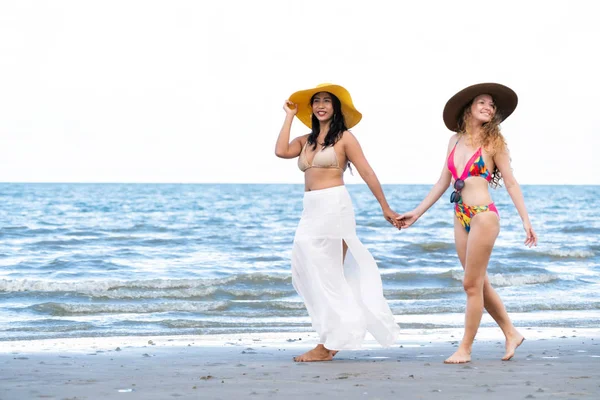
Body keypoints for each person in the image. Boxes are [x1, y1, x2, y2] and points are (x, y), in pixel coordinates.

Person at [396, 83, 538, 364]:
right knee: (479, 284)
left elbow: (510, 181)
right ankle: (511, 333)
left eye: (492, 105)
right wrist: (416, 213)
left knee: (470, 285)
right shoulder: (454, 140)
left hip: (484, 215)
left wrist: (526, 220)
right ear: (469, 108)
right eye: (482, 102)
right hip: (460, 215)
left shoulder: (494, 143)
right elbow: (442, 182)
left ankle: (465, 349)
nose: (488, 107)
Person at [275, 83, 401, 362]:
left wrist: (385, 207)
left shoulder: (345, 138)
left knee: (330, 273)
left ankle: (329, 344)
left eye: (326, 101)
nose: (321, 105)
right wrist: (288, 115)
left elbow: (366, 171)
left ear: (335, 108)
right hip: (310, 210)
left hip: (334, 206)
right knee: (306, 268)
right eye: (316, 101)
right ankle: (337, 333)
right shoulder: (305, 140)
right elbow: (281, 151)